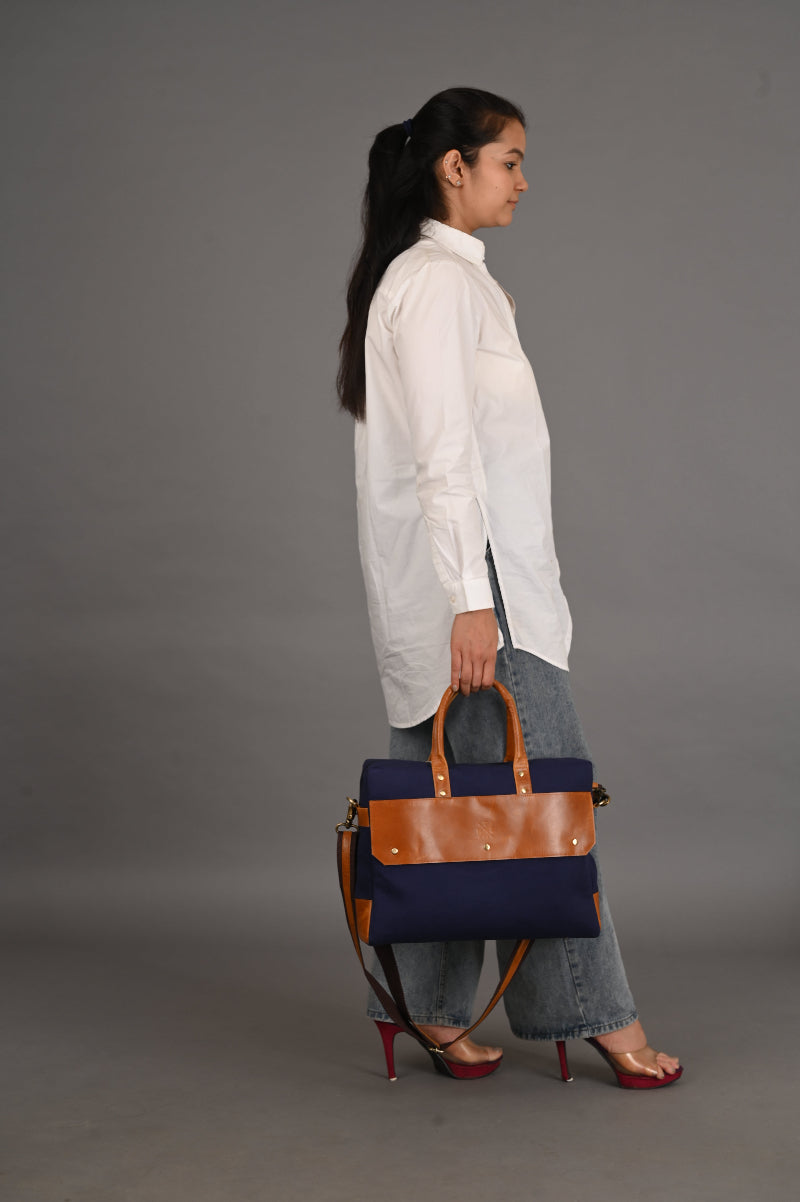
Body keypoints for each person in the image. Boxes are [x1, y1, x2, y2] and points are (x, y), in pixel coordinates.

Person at [337, 87, 682, 1088]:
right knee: (542, 794)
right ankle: (601, 1017)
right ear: (455, 166)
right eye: (509, 161)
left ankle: (433, 1012)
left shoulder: (433, 281)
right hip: (475, 579)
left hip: (456, 578)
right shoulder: (439, 284)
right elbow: (444, 457)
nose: (524, 182)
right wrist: (471, 596)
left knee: (447, 802)